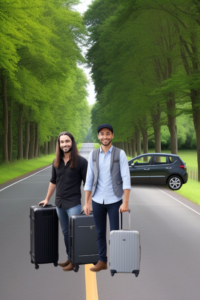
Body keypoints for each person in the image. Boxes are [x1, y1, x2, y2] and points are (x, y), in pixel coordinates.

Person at [83, 124, 131, 272]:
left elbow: (126, 177)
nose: (105, 137)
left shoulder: (120, 153)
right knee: (99, 233)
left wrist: (125, 202)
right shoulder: (93, 155)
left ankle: (117, 263)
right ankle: (102, 261)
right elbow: (89, 179)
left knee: (115, 234)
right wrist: (87, 202)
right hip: (97, 200)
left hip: (115, 200)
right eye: (102, 134)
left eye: (108, 134)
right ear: (98, 136)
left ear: (112, 135)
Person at [39, 131, 88, 271]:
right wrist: (47, 198)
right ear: (59, 145)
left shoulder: (82, 162)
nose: (64, 144)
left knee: (74, 234)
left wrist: (87, 203)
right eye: (62, 142)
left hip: (74, 204)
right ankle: (70, 258)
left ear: (72, 142)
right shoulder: (56, 162)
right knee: (66, 234)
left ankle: (75, 261)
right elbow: (53, 181)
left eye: (67, 141)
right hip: (59, 204)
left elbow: (87, 184)